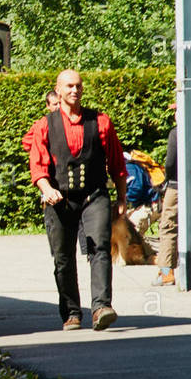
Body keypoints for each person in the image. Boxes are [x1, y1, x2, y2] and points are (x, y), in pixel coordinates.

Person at [26, 68, 129, 331]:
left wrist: (121, 198)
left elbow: (117, 163)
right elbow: (37, 167)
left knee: (100, 248)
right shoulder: (44, 126)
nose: (75, 90)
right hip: (59, 199)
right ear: (58, 90)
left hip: (95, 196)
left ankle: (101, 307)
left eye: (79, 86)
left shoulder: (101, 122)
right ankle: (72, 312)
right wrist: (46, 188)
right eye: (69, 86)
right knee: (63, 258)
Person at [153, 123, 178, 287]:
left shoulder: (176, 132)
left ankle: (166, 272)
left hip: (176, 185)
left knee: (168, 226)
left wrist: (167, 180)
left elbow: (169, 163)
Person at [21, 89, 60, 155]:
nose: (59, 106)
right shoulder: (42, 124)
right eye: (55, 104)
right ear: (48, 106)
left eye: (60, 103)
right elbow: (27, 143)